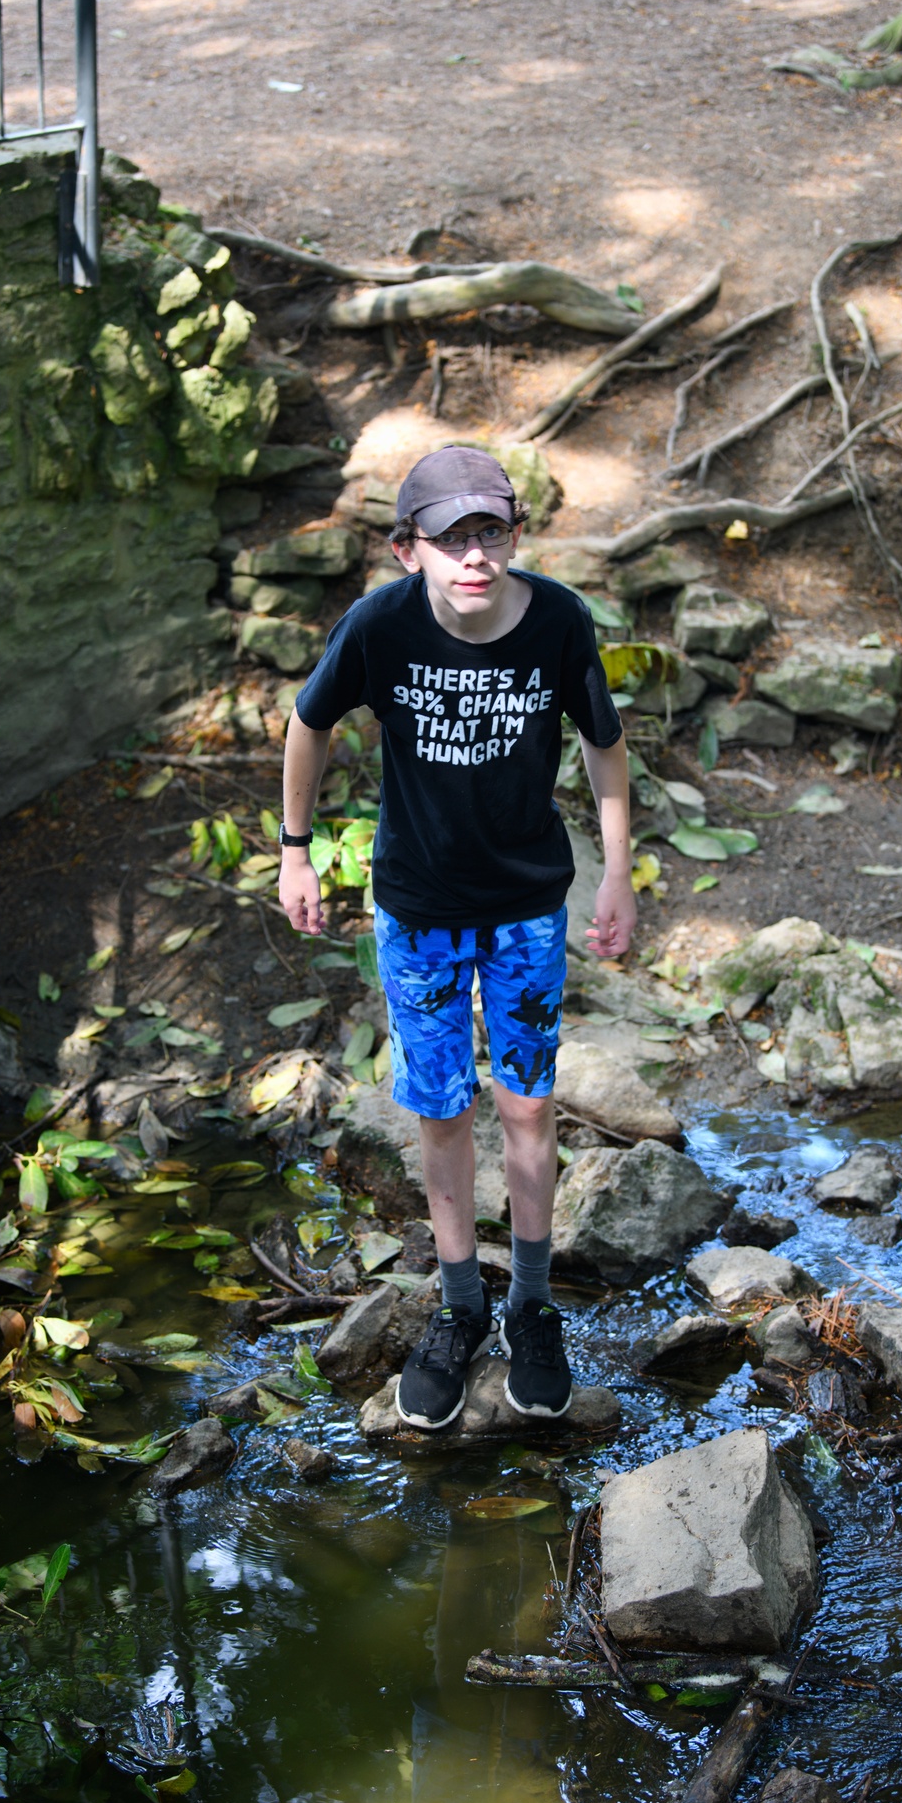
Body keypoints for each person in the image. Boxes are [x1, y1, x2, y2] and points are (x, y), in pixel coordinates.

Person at [278, 445, 635, 1429]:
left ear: (513, 536)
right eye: (450, 538)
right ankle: (459, 1304)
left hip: (526, 905)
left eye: (491, 532)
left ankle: (530, 1307)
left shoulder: (557, 619)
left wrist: (615, 872)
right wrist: (294, 850)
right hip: (419, 909)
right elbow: (307, 724)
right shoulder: (379, 625)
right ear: (409, 550)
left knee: (526, 1106)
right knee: (439, 1109)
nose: (473, 555)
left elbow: (603, 747)